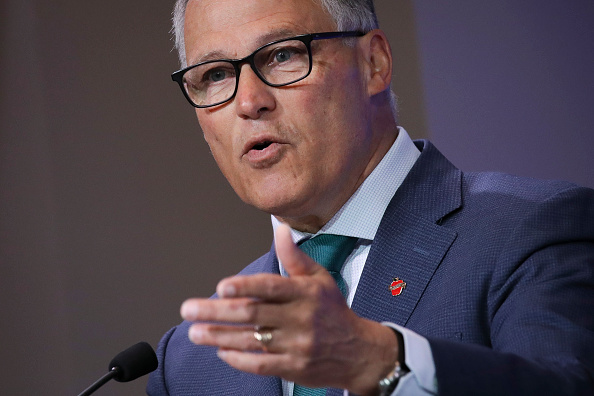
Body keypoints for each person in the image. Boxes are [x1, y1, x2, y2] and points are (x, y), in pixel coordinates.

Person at [147, 0, 594, 395]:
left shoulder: (532, 231)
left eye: (282, 54)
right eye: (217, 75)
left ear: (374, 63)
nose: (249, 101)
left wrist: (377, 363)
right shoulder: (189, 363)